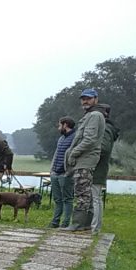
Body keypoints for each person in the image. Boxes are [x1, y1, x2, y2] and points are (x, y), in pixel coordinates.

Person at [63, 88, 106, 232]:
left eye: (88, 98)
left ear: (96, 99)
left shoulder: (94, 115)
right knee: (85, 191)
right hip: (84, 158)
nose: (85, 101)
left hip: (85, 159)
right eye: (83, 98)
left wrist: (74, 152)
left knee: (82, 192)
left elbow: (89, 139)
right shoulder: (90, 115)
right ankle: (85, 223)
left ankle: (78, 223)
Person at [90, 104, 120, 233]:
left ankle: (95, 228)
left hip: (97, 168)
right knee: (95, 199)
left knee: (95, 199)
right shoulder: (107, 127)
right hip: (98, 167)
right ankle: (94, 226)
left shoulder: (106, 128)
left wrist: (88, 154)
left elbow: (104, 148)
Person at [48, 117, 76, 228]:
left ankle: (65, 223)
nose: (58, 128)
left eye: (60, 125)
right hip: (55, 172)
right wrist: (52, 170)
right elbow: (56, 154)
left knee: (67, 199)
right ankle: (55, 222)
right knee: (57, 199)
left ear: (65, 125)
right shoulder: (61, 139)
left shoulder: (75, 138)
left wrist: (69, 171)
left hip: (66, 173)